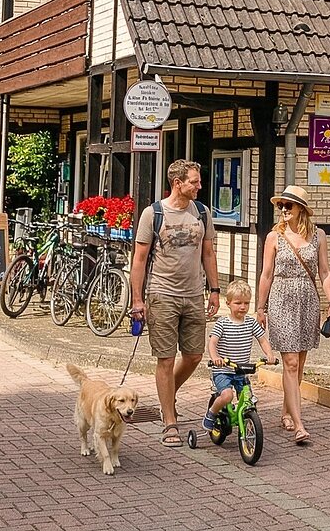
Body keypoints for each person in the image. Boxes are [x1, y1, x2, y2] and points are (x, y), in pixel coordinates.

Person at [130, 159, 220, 447]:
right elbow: (140, 260)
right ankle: (170, 422)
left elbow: (208, 254)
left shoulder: (202, 213)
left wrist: (215, 290)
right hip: (162, 294)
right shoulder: (153, 214)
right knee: (166, 359)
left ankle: (167, 395)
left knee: (194, 355)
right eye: (194, 181)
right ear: (177, 183)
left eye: (198, 181)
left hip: (194, 294)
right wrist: (137, 300)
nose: (199, 185)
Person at [256, 185, 330, 445]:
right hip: (281, 299)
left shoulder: (319, 236)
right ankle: (300, 425)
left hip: (307, 301)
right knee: (290, 363)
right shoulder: (274, 237)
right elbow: (266, 274)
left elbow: (324, 272)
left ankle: (286, 411)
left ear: (301, 209)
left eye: (287, 206)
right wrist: (260, 307)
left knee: (299, 364)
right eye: (280, 206)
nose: (282, 210)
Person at [203, 280, 277, 431]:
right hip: (223, 370)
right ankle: (211, 414)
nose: (243, 307)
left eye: (246, 303)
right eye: (238, 303)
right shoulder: (223, 323)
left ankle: (246, 422)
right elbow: (212, 343)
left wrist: (269, 354)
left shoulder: (250, 323)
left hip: (241, 371)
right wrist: (215, 358)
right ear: (228, 303)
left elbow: (262, 340)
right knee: (227, 396)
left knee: (249, 400)